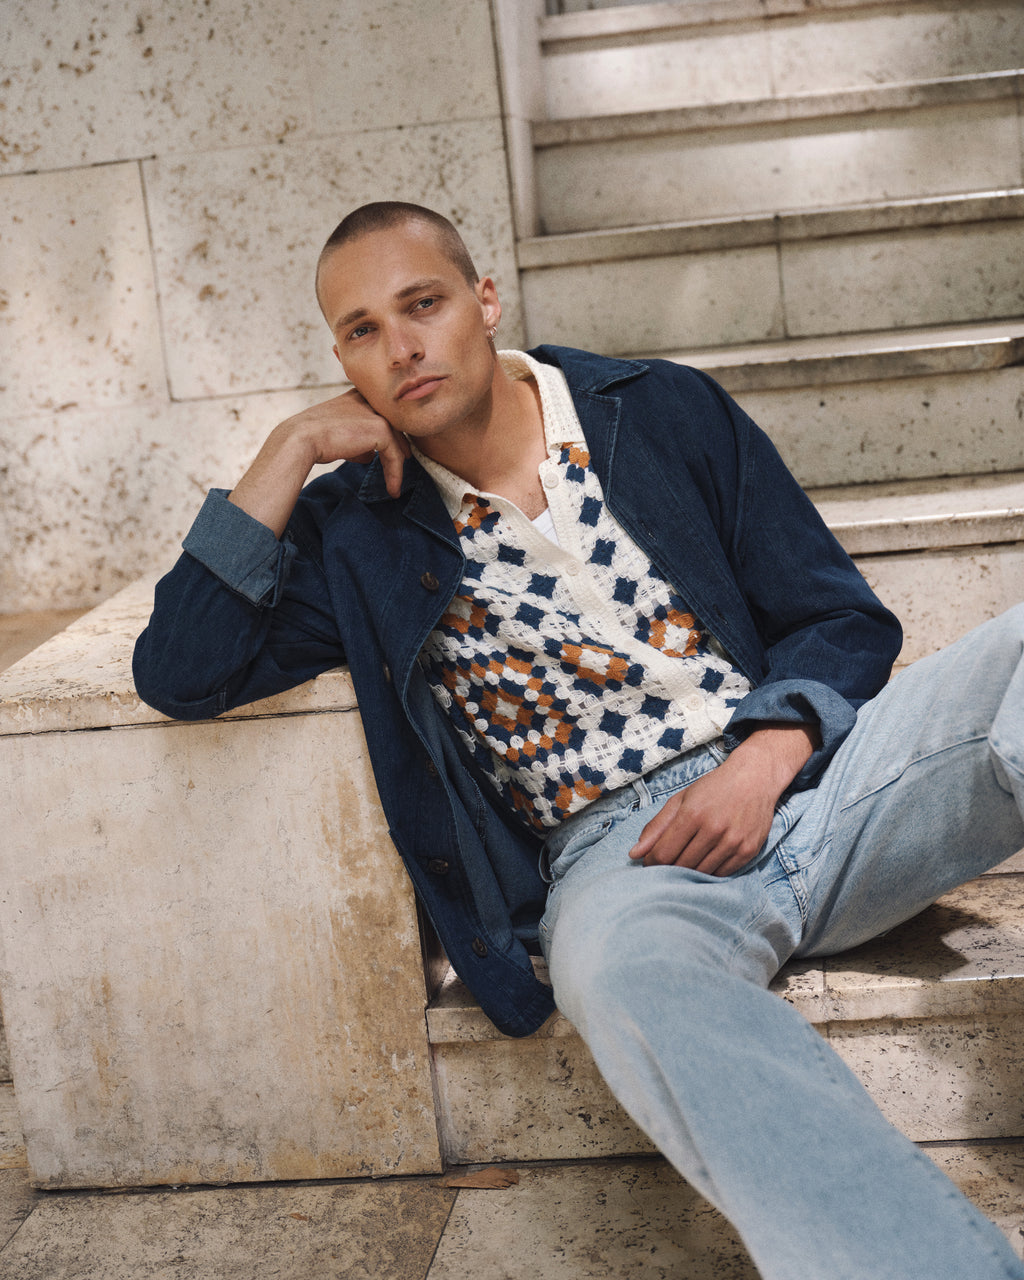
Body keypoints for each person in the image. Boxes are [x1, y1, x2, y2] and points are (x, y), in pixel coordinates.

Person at [134, 202, 1024, 1279]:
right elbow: (180, 668)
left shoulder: (655, 408)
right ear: (340, 360)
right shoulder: (356, 530)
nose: (402, 346)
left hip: (825, 782)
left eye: (422, 304)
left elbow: (839, 618)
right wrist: (291, 447)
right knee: (615, 971)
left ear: (485, 300)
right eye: (361, 330)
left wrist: (766, 751)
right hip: (627, 860)